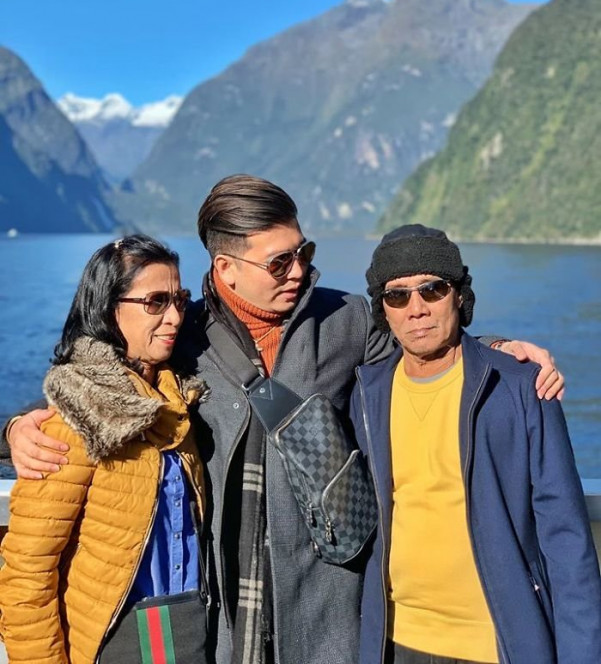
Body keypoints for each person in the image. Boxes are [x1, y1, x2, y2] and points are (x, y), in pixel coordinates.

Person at [0, 176, 565, 664]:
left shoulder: (345, 320)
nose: (299, 272)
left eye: (303, 252)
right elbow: (96, 389)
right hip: (225, 615)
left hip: (328, 604)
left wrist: (497, 351)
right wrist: (14, 429)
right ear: (226, 267)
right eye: (278, 262)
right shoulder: (181, 334)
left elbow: (424, 349)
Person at [350, 224, 601, 664]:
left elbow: (566, 540)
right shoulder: (366, 395)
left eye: (432, 289)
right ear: (382, 310)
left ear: (459, 296)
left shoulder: (521, 388)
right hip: (394, 642)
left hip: (496, 645)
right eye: (397, 296)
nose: (416, 309)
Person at [0, 235, 208, 664]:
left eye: (180, 300)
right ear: (109, 309)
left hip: (189, 631)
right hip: (114, 641)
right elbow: (27, 575)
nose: (174, 317)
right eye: (155, 302)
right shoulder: (78, 414)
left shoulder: (178, 404)